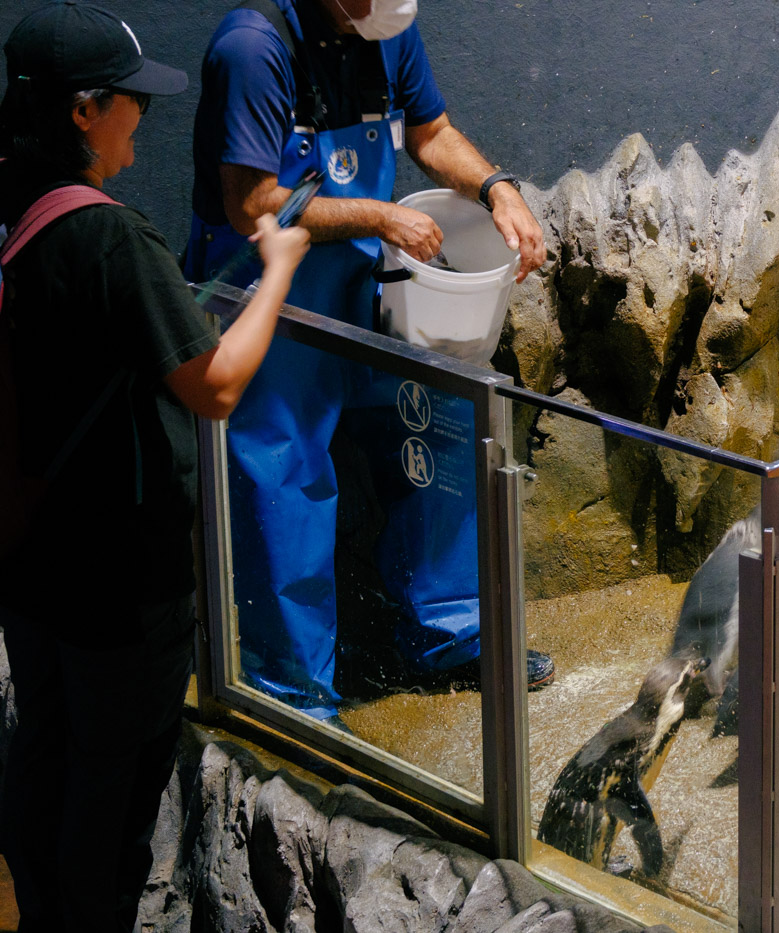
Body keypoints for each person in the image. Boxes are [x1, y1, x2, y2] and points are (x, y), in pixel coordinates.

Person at [0, 2, 310, 930]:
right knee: (112, 786)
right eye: (131, 99)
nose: (146, 113)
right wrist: (280, 266)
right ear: (84, 113)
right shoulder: (111, 237)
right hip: (120, 587)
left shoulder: (13, 198)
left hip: (27, 559)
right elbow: (214, 385)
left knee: (41, 753)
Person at [184, 0, 553, 727]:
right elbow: (254, 204)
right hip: (272, 290)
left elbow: (432, 131)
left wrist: (495, 187)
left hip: (368, 283)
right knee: (285, 476)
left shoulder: (388, 26)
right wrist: (380, 215)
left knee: (435, 430)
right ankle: (293, 693)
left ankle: (447, 637)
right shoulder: (254, 48)